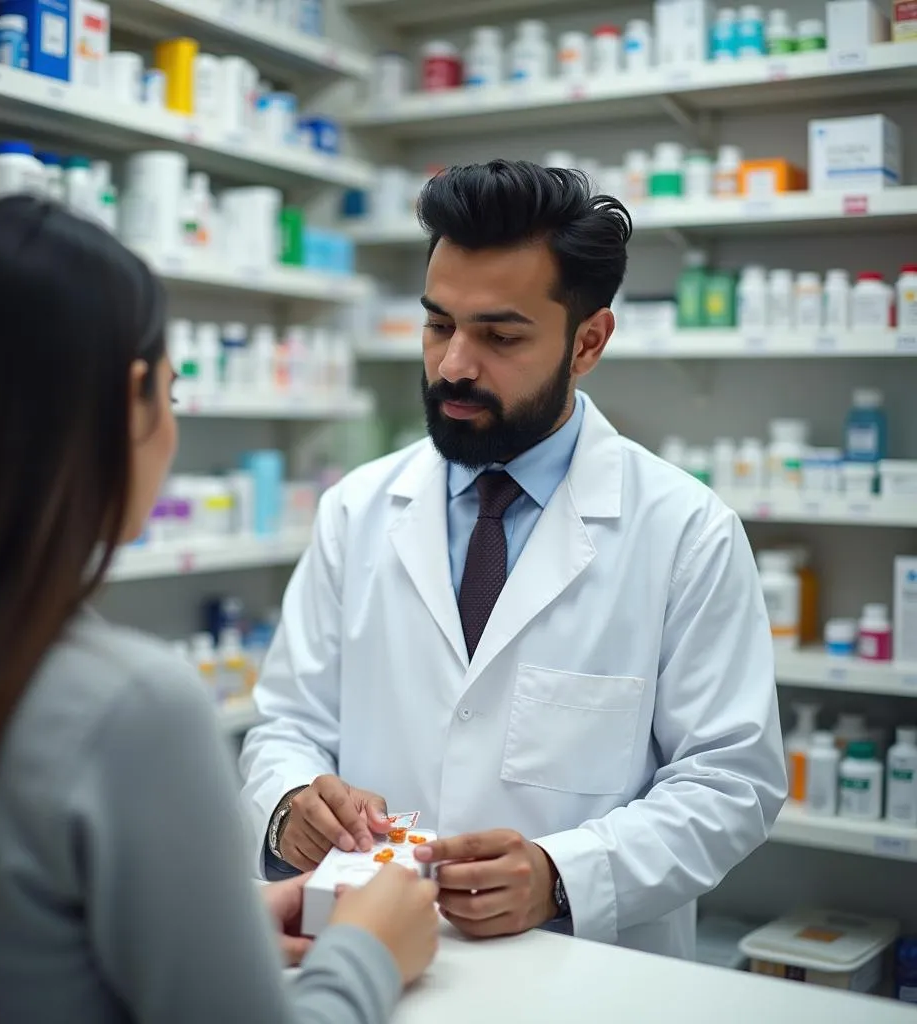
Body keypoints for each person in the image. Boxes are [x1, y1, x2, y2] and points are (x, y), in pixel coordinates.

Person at [0, 196, 439, 1024]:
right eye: (174, 394)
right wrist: (369, 952)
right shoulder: (130, 707)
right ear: (134, 397)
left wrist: (216, 924)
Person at [240, 159, 788, 959]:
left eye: (499, 336)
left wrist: (562, 873)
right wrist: (292, 804)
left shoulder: (685, 531)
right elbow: (286, 723)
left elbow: (731, 783)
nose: (455, 364)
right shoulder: (357, 509)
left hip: (585, 976)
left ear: (589, 341)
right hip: (367, 960)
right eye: (438, 325)